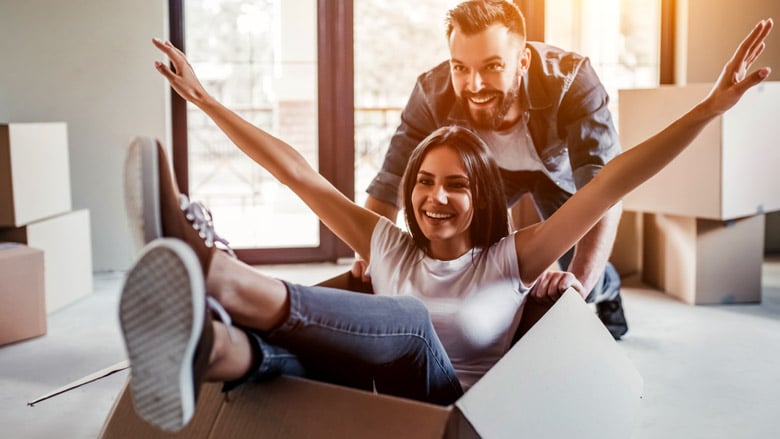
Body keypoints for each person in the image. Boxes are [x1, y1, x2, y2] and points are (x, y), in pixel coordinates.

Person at [120, 17, 772, 433]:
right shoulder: (387, 242)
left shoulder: (513, 258)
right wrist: (205, 100)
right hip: (378, 390)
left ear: (481, 193)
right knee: (276, 356)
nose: (436, 197)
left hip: (450, 404)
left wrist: (710, 108)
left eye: (456, 184)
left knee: (406, 319)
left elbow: (613, 180)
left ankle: (218, 271)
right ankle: (205, 345)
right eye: (425, 182)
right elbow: (300, 174)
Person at [357, 0, 628, 338]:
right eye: (460, 68)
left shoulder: (573, 80)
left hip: (557, 173)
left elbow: (605, 188)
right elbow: (390, 181)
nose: (475, 84)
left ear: (522, 61)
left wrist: (579, 288)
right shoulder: (431, 92)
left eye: (492, 66)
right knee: (483, 254)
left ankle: (609, 288)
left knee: (583, 264)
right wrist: (368, 255)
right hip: (491, 174)